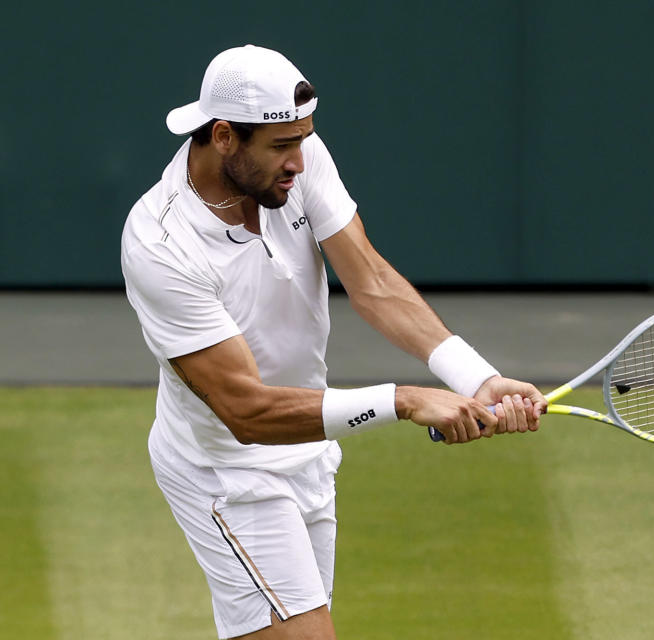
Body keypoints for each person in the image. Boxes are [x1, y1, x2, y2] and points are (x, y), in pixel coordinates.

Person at [121, 44, 546, 640]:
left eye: (303, 140)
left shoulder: (298, 159)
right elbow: (246, 411)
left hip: (310, 452)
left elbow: (369, 280)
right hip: (226, 469)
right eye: (280, 147)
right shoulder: (161, 245)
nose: (298, 160)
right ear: (223, 136)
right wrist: (401, 400)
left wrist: (475, 378)